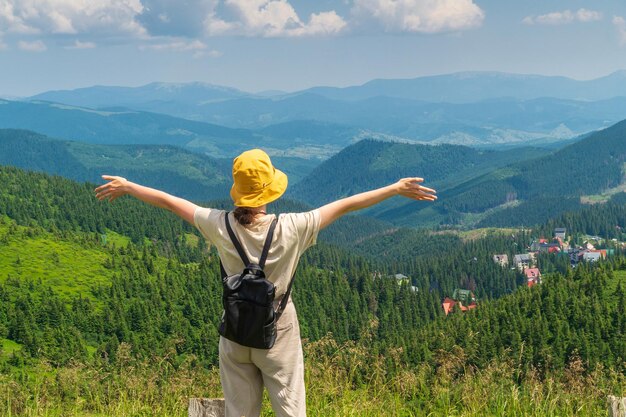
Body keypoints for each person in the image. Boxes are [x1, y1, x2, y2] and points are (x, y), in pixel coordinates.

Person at [94, 148, 436, 417]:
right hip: (279, 334)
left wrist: (128, 186)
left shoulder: (218, 225)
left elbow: (171, 202)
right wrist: (394, 189)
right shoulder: (294, 227)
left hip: (236, 332)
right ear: (268, 192)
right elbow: (346, 205)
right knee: (290, 410)